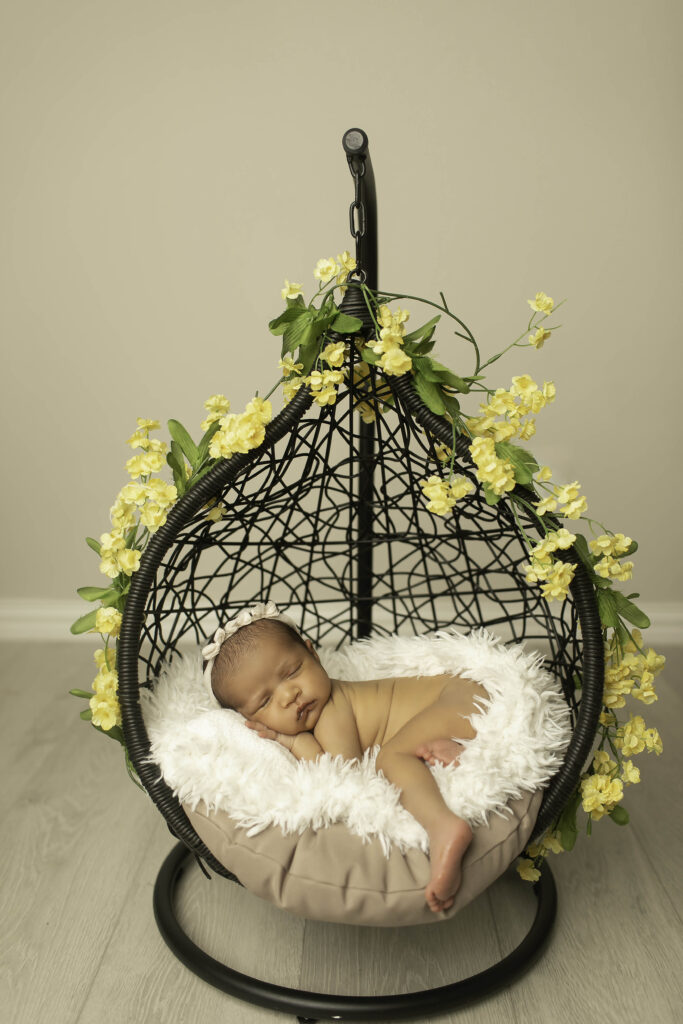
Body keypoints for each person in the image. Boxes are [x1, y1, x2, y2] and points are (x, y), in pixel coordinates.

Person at [202, 603, 491, 914]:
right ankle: (452, 746)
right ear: (246, 718)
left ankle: (444, 828)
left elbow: (341, 772)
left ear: (313, 654)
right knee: (406, 749)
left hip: (457, 697)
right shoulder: (318, 708)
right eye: (266, 701)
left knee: (391, 759)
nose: (289, 696)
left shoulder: (331, 709)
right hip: (456, 705)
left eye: (292, 672)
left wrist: (294, 741)